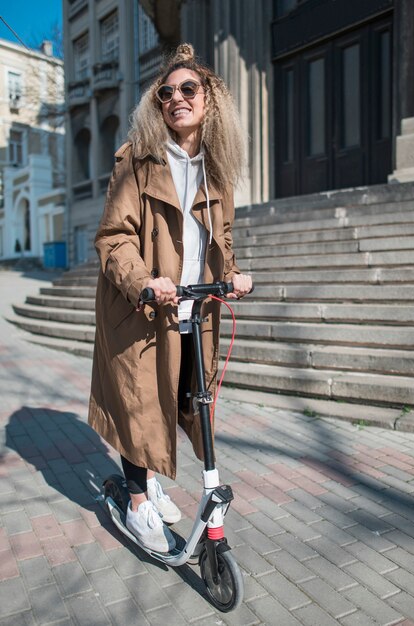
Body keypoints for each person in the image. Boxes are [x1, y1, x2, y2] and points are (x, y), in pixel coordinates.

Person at [88, 43, 252, 553]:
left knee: (183, 400)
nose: (177, 98)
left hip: (194, 309)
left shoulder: (216, 170)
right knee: (140, 403)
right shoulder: (138, 159)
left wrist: (234, 273)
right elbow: (114, 236)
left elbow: (220, 239)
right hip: (140, 307)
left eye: (188, 89)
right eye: (167, 92)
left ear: (210, 99)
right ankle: (137, 501)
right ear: (156, 105)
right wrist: (142, 280)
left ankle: (150, 482)